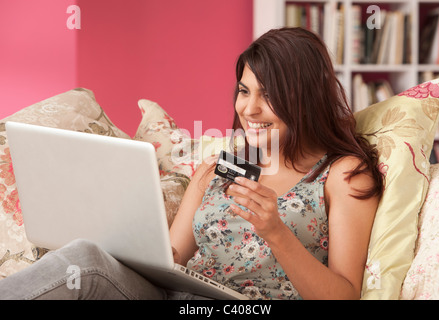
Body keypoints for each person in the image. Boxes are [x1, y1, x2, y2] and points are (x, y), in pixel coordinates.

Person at [0, 27, 383, 300]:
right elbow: (170, 259)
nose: (249, 109)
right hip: (175, 295)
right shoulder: (218, 170)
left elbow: (343, 295)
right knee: (84, 258)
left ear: (305, 98)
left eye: (269, 96)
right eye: (244, 91)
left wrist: (277, 233)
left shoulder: (342, 174)